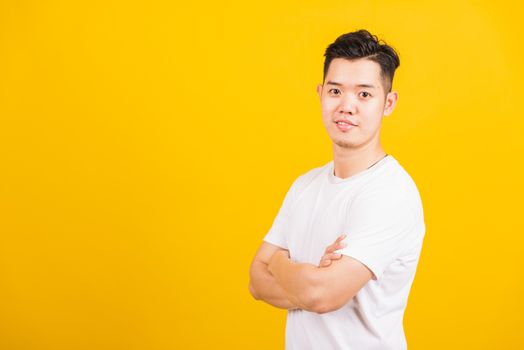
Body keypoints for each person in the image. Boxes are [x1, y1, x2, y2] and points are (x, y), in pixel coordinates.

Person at [248, 29, 426, 349]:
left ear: (388, 103)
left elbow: (321, 295)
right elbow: (256, 281)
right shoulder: (305, 186)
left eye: (364, 94)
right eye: (335, 91)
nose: (346, 106)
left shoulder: (391, 193)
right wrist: (308, 277)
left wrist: (279, 264)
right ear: (320, 94)